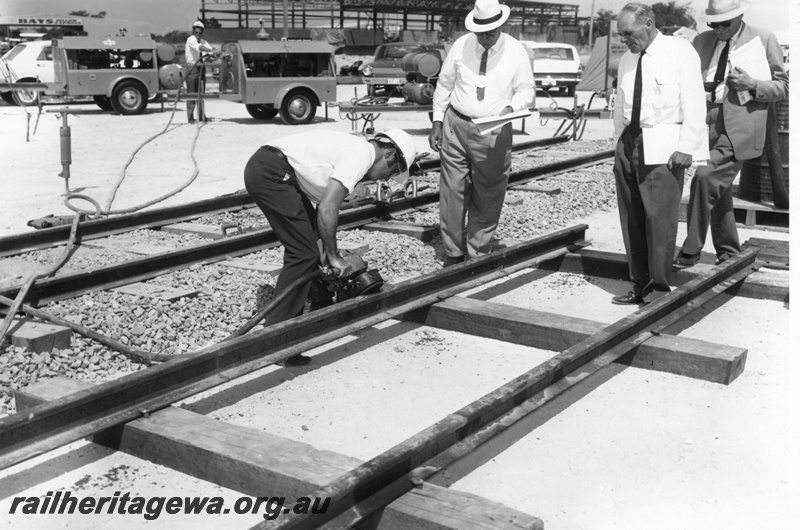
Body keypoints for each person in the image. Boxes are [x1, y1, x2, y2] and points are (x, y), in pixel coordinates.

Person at [243, 129, 417, 365]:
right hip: (272, 172)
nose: (384, 179)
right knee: (303, 254)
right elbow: (327, 208)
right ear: (389, 154)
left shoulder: (357, 149)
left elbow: (321, 214)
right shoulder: (360, 155)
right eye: (392, 172)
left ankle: (320, 302)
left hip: (272, 167)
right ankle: (275, 342)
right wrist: (334, 257)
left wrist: (327, 252)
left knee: (312, 239)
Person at [672, 0, 788, 270]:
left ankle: (691, 250)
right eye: (713, 23)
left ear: (739, 17)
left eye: (725, 24)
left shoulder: (764, 38)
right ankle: (729, 251)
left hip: (739, 125)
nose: (719, 29)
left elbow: (783, 87)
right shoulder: (701, 41)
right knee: (717, 188)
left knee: (704, 178)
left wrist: (753, 84)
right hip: (704, 120)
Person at [611, 3, 707, 305]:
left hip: (664, 143)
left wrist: (687, 147)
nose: (624, 39)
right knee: (632, 218)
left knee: (659, 221)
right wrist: (617, 147)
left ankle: (658, 292)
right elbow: (621, 106)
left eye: (628, 33)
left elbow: (694, 102)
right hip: (629, 142)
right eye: (621, 34)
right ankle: (639, 284)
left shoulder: (680, 52)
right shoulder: (628, 58)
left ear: (649, 23)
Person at [428, 0, 534, 267]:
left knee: (488, 193)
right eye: (480, 33)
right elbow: (445, 83)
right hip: (456, 124)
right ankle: (453, 253)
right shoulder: (461, 45)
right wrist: (438, 122)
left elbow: (526, 91)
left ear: (501, 26)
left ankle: (478, 253)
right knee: (452, 191)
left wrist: (511, 107)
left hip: (493, 130)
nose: (485, 38)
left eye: (490, 33)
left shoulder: (516, 51)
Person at [184, 21, 219, 123]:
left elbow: (208, 54)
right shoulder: (190, 40)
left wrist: (214, 54)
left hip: (201, 68)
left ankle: (201, 116)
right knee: (191, 94)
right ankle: (190, 118)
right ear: (193, 31)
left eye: (200, 33)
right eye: (196, 32)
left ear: (202, 32)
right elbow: (200, 48)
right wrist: (212, 51)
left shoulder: (204, 42)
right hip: (192, 69)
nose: (198, 34)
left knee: (201, 94)